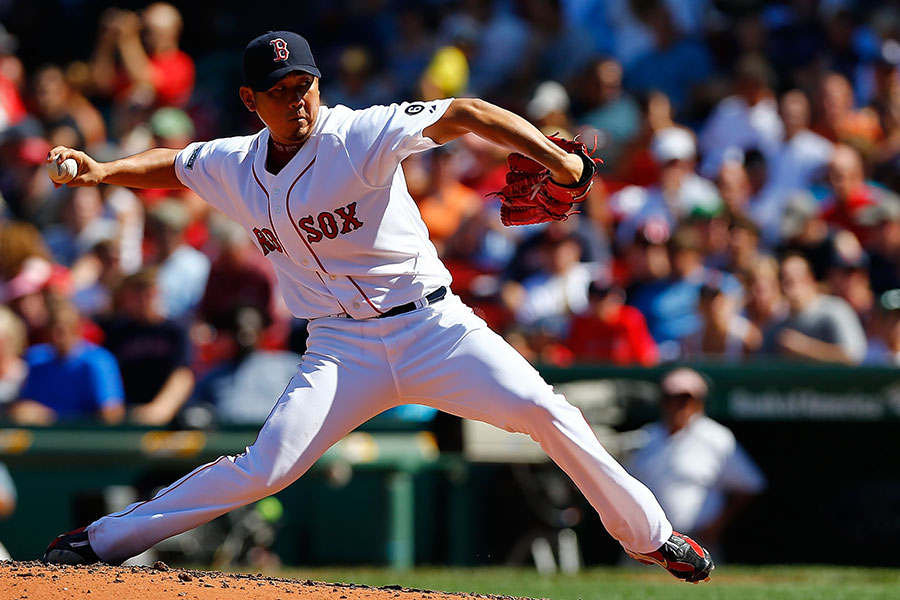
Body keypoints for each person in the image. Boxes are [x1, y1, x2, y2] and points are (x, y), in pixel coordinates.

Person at [41, 31, 714, 583]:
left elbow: (468, 114)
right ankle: (98, 544)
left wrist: (558, 163)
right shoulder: (234, 163)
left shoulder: (357, 134)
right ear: (250, 99)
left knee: (545, 411)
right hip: (341, 348)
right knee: (266, 467)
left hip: (433, 327)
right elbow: (175, 162)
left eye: (304, 85)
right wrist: (103, 171)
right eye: (279, 92)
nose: (297, 100)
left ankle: (651, 538)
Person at [626, 368, 766, 558]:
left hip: (697, 542)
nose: (679, 405)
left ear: (700, 402)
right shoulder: (645, 437)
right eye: (672, 398)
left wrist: (717, 525)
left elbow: (751, 485)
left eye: (686, 399)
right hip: (647, 542)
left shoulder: (717, 437)